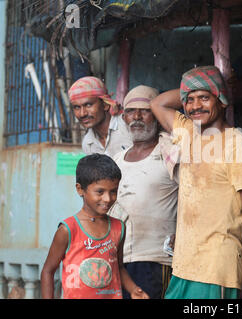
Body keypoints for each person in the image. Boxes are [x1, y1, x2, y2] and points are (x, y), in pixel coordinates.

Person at [148, 66, 242, 299]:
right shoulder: (188, 132)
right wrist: (195, 86)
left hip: (215, 268)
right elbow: (157, 104)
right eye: (190, 100)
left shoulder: (240, 146)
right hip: (183, 265)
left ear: (222, 101)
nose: (195, 106)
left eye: (205, 98)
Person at [40, 154, 149, 299]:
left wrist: (133, 289)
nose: (108, 198)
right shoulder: (68, 230)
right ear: (80, 189)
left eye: (113, 191)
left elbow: (118, 266)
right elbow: (48, 271)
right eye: (100, 192)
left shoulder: (119, 227)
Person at [108, 85, 179, 299]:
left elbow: (193, 196)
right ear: (124, 117)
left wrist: (183, 233)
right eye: (130, 111)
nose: (137, 116)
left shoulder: (170, 152)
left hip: (156, 257)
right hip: (118, 259)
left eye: (145, 110)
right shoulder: (116, 160)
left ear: (157, 115)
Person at [69, 76, 132, 157]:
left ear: (105, 105)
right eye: (77, 107)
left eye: (88, 105)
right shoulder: (88, 144)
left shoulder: (127, 127)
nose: (82, 114)